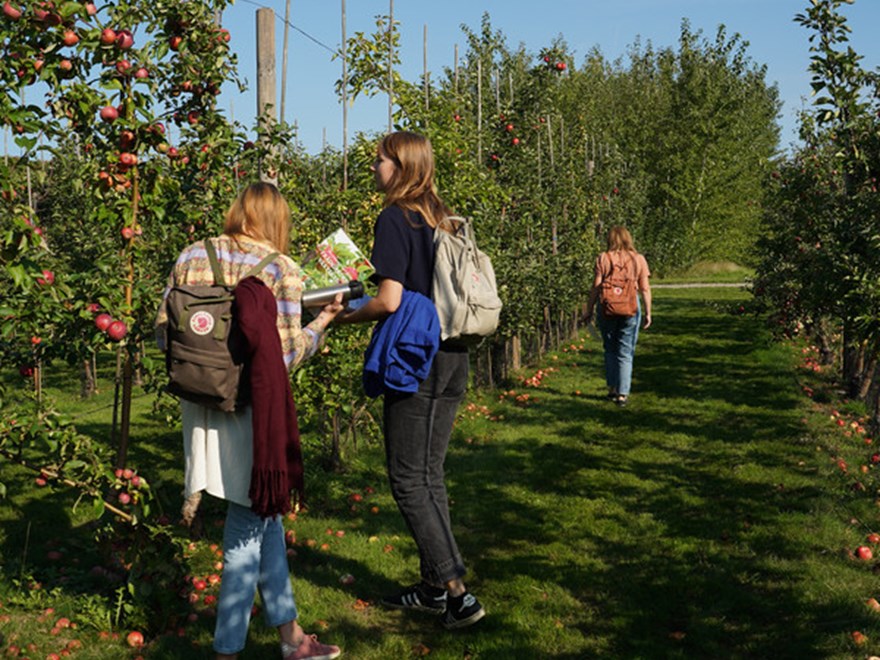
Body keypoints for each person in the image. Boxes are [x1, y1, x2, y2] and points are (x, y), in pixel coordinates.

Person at [155, 182, 343, 660]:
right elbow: (280, 356)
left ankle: (292, 639)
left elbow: (163, 334)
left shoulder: (192, 254)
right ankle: (226, 651)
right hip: (249, 413)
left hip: (200, 405)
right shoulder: (281, 268)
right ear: (278, 220)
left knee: (266, 518)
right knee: (244, 531)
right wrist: (321, 323)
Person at [335, 131, 486, 630]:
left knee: (406, 478)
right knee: (429, 473)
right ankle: (431, 590)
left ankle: (457, 592)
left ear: (400, 166)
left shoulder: (395, 217)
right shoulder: (444, 218)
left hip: (414, 357)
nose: (374, 167)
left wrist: (342, 315)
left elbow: (390, 300)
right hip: (454, 354)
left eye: (379, 160)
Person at [583, 225, 652, 407]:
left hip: (607, 307)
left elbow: (596, 286)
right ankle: (622, 394)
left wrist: (589, 309)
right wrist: (648, 312)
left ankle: (612, 388)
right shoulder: (639, 260)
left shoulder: (603, 258)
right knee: (625, 350)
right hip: (630, 307)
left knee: (610, 349)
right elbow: (644, 288)